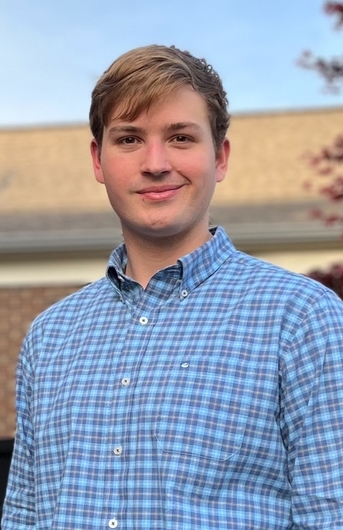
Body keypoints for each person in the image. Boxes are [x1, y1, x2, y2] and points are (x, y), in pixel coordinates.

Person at [2, 44, 343, 530]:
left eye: (181, 137)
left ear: (220, 157)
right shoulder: (50, 336)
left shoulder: (302, 319)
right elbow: (23, 516)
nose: (156, 162)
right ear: (98, 161)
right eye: (129, 139)